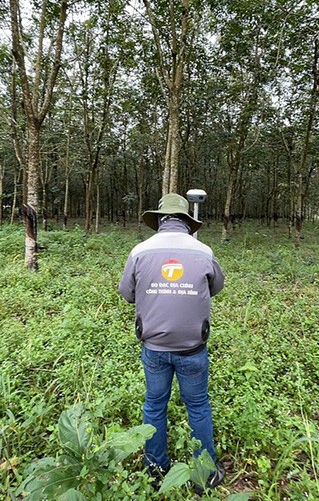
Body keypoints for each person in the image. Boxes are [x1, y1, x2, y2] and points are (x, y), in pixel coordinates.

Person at [118, 193, 225, 491]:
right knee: (198, 405)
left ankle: (154, 470)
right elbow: (216, 286)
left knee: (154, 404)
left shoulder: (139, 251)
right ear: (187, 222)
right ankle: (205, 475)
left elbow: (127, 293)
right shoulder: (204, 251)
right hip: (193, 348)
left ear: (160, 219)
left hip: (153, 347)